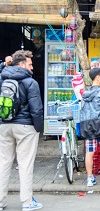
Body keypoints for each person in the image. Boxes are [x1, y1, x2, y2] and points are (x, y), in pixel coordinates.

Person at [0, 50, 44, 210]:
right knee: (25, 164)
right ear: (21, 64)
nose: (32, 68)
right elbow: (36, 110)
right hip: (25, 127)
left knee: (3, 163)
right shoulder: (30, 82)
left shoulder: (2, 78)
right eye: (30, 64)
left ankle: (0, 202)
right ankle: (26, 202)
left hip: (4, 125)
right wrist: (38, 129)